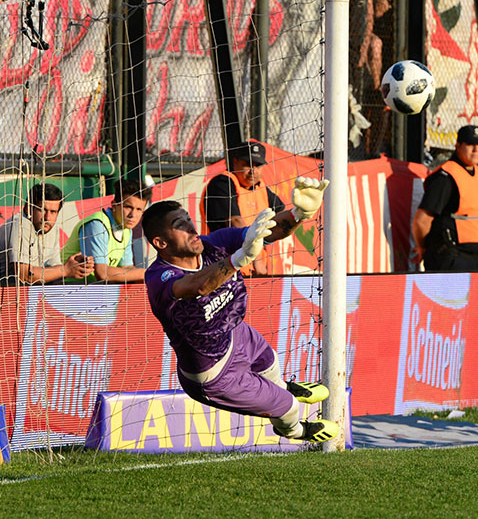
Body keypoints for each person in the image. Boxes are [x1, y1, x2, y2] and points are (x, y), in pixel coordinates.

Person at [142, 177, 339, 443]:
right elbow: (198, 285)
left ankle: (282, 387)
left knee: (271, 363)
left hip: (236, 332)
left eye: (188, 219)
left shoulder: (215, 243)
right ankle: (296, 431)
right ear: (161, 243)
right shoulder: (159, 278)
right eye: (180, 226)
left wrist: (298, 214)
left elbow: (268, 232)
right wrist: (238, 259)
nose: (191, 228)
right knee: (288, 407)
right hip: (213, 372)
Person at [0, 182, 94, 286]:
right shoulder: (20, 224)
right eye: (42, 210)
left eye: (53, 212)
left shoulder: (50, 227)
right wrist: (65, 270)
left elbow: (52, 270)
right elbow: (24, 274)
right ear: (28, 207)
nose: (47, 217)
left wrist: (77, 267)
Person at [412, 125, 478, 271]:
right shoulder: (445, 176)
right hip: (450, 258)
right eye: (470, 144)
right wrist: (423, 247)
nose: (476, 149)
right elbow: (421, 221)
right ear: (458, 146)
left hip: (474, 258)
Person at [201, 140, 286, 274]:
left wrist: (299, 213)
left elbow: (282, 216)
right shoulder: (222, 184)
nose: (253, 171)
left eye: (258, 165)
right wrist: (257, 260)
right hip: (222, 267)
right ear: (235, 162)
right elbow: (235, 222)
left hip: (253, 269)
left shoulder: (261, 188)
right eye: (247, 164)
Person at [62, 179, 148, 283]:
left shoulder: (126, 229)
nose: (133, 215)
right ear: (114, 204)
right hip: (71, 287)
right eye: (128, 207)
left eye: (139, 209)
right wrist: (145, 273)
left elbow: (126, 267)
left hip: (97, 289)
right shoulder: (97, 224)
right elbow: (102, 273)